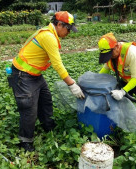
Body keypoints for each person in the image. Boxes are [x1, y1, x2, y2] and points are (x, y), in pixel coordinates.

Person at [8, 11, 84, 152]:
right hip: (22, 75)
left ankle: (48, 127)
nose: (69, 32)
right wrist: (72, 84)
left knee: (45, 100)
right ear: (60, 24)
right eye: (68, 28)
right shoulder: (48, 36)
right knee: (29, 109)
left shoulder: (49, 33)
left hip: (35, 75)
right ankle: (25, 142)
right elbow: (57, 65)